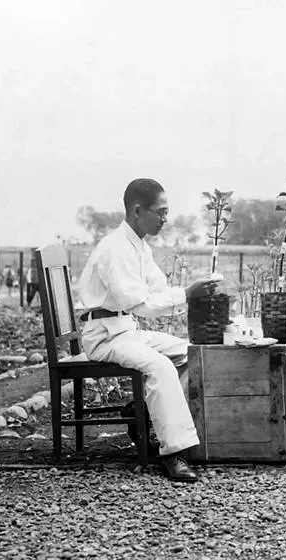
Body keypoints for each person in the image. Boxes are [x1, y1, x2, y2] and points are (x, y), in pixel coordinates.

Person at [77, 178, 219, 482]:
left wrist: (192, 291)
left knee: (189, 353)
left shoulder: (138, 246)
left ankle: (142, 411)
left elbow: (158, 290)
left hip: (125, 330)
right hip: (104, 336)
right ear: (137, 210)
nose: (165, 219)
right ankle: (173, 453)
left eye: (167, 212)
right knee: (160, 366)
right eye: (161, 212)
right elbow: (140, 304)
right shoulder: (115, 248)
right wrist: (186, 294)